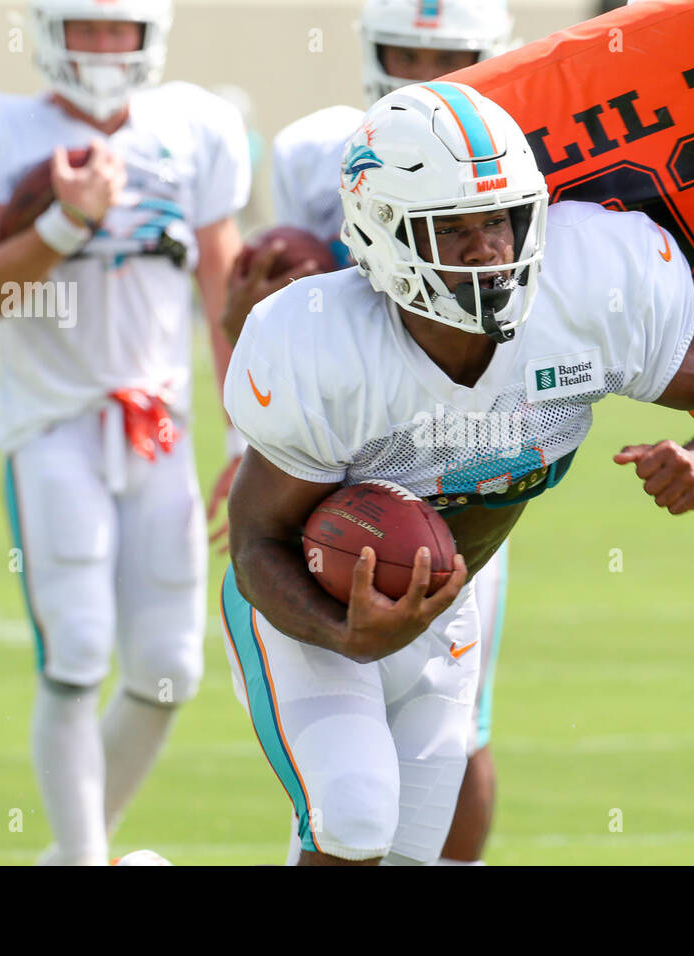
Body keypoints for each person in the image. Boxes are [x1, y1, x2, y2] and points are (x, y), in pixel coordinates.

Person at [220, 80, 694, 865]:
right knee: (354, 817)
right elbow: (256, 541)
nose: (489, 249)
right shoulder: (326, 345)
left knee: (405, 856)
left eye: (498, 219)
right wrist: (341, 630)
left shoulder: (581, 291)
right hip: (313, 607)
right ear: (386, 235)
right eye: (453, 228)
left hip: (443, 609)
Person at [0, 0, 250, 865]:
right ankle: (81, 861)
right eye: (87, 28)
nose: (106, 48)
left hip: (160, 435)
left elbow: (225, 295)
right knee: (75, 650)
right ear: (44, 31)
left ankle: (74, 854)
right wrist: (66, 222)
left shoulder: (197, 126)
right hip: (55, 427)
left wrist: (245, 435)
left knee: (171, 668)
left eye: (121, 29)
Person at [222, 0, 515, 866]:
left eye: (455, 55)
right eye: (407, 53)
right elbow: (287, 336)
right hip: (335, 480)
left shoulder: (518, 154)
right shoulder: (319, 150)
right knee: (345, 790)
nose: (429, 77)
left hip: (466, 475)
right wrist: (246, 444)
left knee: (455, 743)